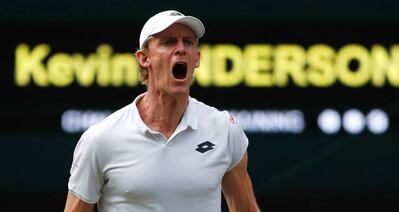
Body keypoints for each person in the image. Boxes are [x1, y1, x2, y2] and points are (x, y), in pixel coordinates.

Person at [64, 10, 260, 212]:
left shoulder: (225, 129)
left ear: (197, 58)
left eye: (189, 42)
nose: (181, 49)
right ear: (143, 58)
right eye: (168, 42)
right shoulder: (100, 139)